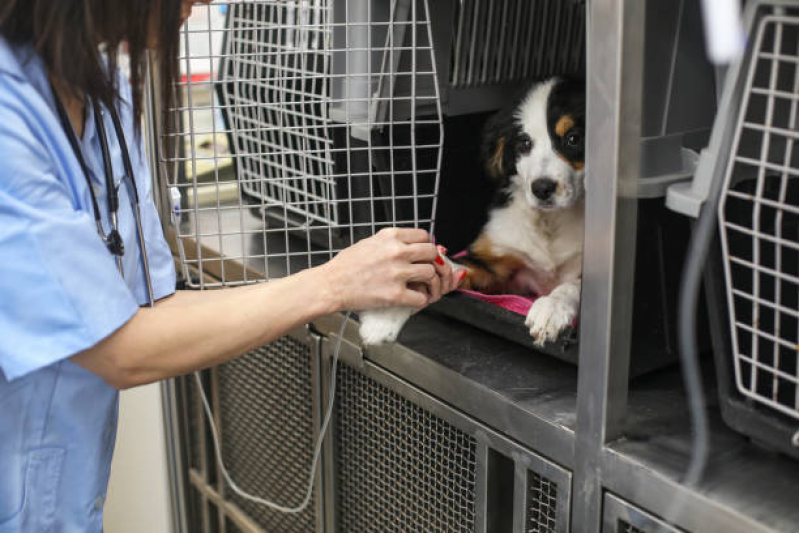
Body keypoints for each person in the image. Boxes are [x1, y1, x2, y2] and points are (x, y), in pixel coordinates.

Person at [0, 0, 460, 530]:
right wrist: (335, 282)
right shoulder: (11, 113)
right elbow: (118, 348)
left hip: (61, 500)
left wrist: (356, 279)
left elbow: (150, 302)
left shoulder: (101, 92)